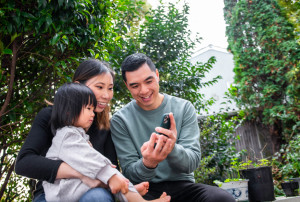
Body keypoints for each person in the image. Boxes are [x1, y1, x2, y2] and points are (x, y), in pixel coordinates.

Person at [15, 59, 157, 202]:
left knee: (99, 196)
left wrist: (127, 188)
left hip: (92, 193)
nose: (107, 95)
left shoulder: (105, 126)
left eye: (110, 88)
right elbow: (24, 163)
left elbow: (111, 170)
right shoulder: (50, 116)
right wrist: (80, 174)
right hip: (52, 194)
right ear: (78, 86)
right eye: (99, 87)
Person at [110, 53, 236, 202]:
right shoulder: (120, 120)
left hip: (184, 186)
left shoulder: (184, 108)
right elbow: (130, 173)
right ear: (127, 86)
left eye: (148, 81)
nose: (143, 91)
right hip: (145, 190)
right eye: (135, 86)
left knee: (221, 198)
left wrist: (172, 148)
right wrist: (148, 163)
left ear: (157, 75)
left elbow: (192, 163)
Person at [42, 82, 170, 202]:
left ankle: (128, 192)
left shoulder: (79, 135)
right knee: (109, 174)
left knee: (111, 175)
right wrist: (108, 170)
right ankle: (134, 197)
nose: (92, 114)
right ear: (69, 111)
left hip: (75, 186)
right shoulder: (67, 135)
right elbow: (89, 159)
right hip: (63, 191)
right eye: (88, 109)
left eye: (93, 109)